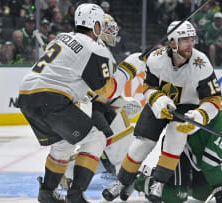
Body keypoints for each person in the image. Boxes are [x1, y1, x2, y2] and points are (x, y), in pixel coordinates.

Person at [16, 3, 145, 203]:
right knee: (96, 139)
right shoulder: (95, 48)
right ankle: (75, 195)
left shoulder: (61, 38)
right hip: (53, 99)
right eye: (101, 25)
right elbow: (107, 91)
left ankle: (47, 192)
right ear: (94, 26)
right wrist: (128, 69)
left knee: (62, 145)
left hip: (26, 97)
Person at [102, 20, 222, 203]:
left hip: (188, 107)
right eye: (185, 40)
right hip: (160, 102)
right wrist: (157, 99)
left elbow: (214, 100)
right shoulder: (156, 58)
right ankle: (122, 181)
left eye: (192, 39)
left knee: (176, 138)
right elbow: (148, 86)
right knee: (142, 144)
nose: (191, 44)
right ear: (172, 42)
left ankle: (158, 182)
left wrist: (199, 115)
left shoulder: (201, 64)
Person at [133, 95, 222, 203]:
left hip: (198, 157)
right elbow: (210, 163)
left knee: (205, 194)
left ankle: (176, 180)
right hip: (182, 148)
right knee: (177, 195)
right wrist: (220, 186)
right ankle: (139, 181)